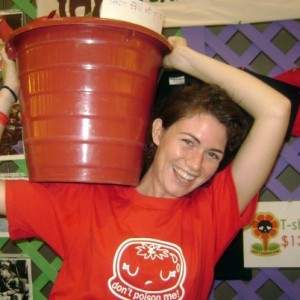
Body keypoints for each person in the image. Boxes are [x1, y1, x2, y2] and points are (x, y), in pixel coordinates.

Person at [0, 36, 290, 299]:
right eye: (188, 141)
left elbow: (276, 110)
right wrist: (9, 92)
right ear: (158, 133)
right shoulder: (86, 202)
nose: (196, 164)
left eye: (212, 154)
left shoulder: (212, 214)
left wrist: (183, 59)